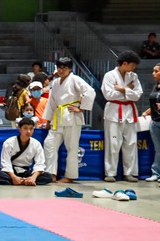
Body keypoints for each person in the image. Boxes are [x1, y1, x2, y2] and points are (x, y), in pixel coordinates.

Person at [43, 57, 96, 184]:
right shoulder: (55, 83)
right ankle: (51, 174)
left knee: (72, 147)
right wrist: (48, 120)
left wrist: (81, 108)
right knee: (49, 144)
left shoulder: (75, 79)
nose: (61, 70)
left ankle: (70, 176)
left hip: (72, 116)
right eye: (59, 68)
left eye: (64, 68)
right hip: (58, 117)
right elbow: (51, 102)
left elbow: (90, 91)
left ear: (70, 69)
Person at [101, 50, 142, 182]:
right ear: (125, 63)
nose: (134, 68)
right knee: (113, 143)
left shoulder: (133, 77)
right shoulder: (109, 76)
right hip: (113, 111)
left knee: (130, 143)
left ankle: (129, 173)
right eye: (132, 65)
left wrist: (122, 89)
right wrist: (128, 90)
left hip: (129, 111)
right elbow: (109, 95)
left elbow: (138, 95)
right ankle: (110, 173)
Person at [0, 117, 52, 186]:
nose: (29, 131)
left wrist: (33, 177)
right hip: (11, 171)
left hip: (26, 172)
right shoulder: (9, 142)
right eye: (25, 128)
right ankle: (21, 181)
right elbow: (5, 163)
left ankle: (22, 181)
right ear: (20, 129)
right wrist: (13, 177)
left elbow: (40, 164)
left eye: (31, 129)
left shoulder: (36, 144)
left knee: (48, 177)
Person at [142, 63, 160, 182]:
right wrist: (147, 111)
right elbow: (154, 103)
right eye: (153, 71)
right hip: (155, 122)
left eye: (156, 71)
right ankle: (156, 173)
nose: (153, 73)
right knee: (158, 149)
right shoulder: (156, 86)